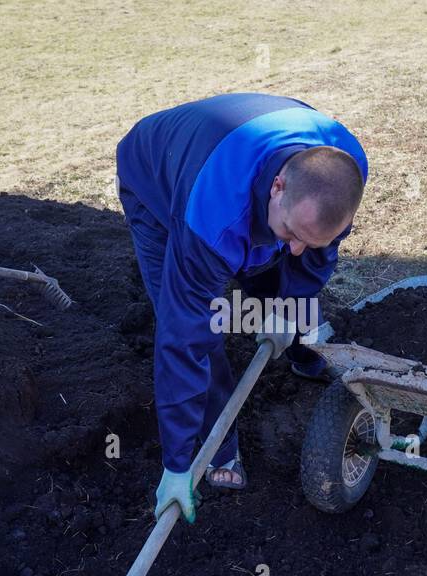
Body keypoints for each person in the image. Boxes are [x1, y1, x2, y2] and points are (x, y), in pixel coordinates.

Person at [115, 92, 368, 523]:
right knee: (195, 318)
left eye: (313, 236)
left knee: (285, 267)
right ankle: (219, 449)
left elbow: (312, 254)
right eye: (291, 229)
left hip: (238, 146)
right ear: (278, 185)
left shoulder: (344, 169)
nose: (297, 246)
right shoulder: (209, 219)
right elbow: (186, 338)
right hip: (155, 173)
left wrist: (289, 309)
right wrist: (176, 463)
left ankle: (304, 352)